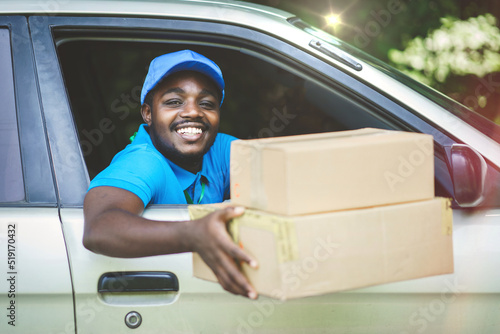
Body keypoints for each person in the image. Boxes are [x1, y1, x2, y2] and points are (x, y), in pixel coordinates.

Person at [83, 50, 258, 299]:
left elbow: (285, 178)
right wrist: (193, 234)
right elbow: (99, 228)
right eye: (174, 102)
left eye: (206, 104)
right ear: (148, 113)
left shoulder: (219, 150)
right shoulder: (143, 161)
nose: (193, 112)